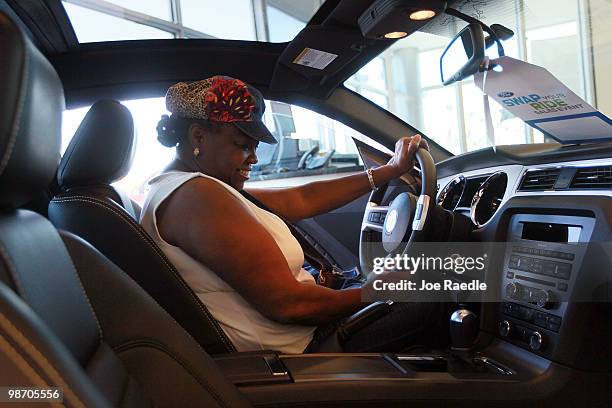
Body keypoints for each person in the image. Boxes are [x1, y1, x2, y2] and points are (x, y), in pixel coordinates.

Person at [140, 75, 449, 354]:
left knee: (442, 277)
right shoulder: (196, 196)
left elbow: (300, 198)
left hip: (305, 334)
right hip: (304, 349)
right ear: (198, 137)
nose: (254, 157)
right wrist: (376, 290)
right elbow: (289, 304)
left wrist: (389, 171)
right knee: (450, 282)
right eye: (242, 145)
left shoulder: (195, 188)